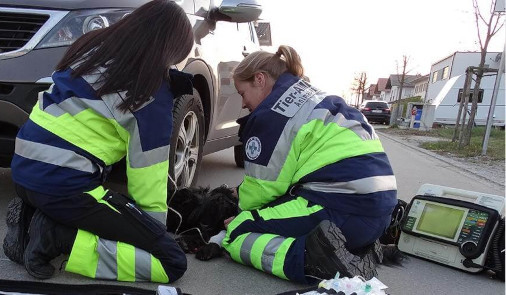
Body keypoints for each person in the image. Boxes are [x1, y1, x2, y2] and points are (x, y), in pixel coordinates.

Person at [3, 0, 194, 283]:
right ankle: (56, 237)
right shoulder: (150, 87)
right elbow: (148, 174)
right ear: (170, 49)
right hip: (63, 185)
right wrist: (150, 233)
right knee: (170, 262)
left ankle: (35, 217)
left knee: (116, 212)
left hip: (24, 172)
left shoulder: (92, 50)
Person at [197, 45, 398, 283]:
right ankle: (355, 247)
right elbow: (288, 172)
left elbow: (261, 194)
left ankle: (317, 263)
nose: (243, 104)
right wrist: (242, 189)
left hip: (343, 209)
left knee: (236, 232)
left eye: (242, 93)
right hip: (378, 210)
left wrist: (239, 213)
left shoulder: (271, 114)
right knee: (278, 215)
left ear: (259, 79)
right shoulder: (311, 96)